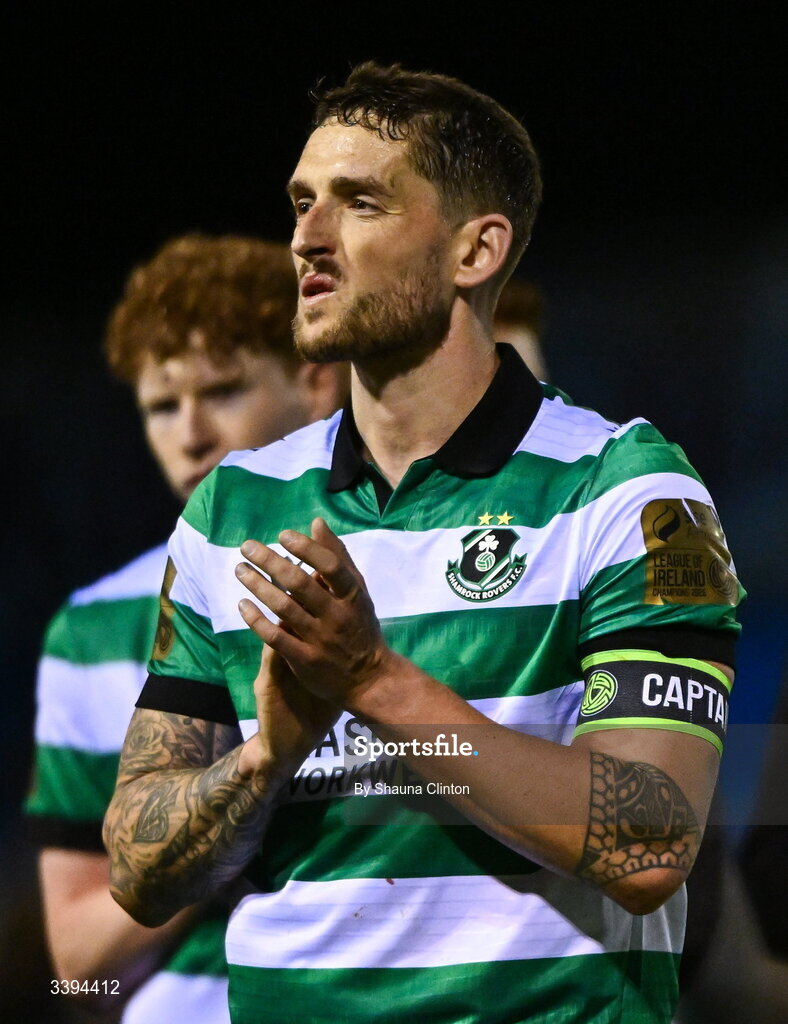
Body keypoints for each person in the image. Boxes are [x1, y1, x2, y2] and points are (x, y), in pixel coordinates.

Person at [104, 63, 744, 1024]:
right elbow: (135, 873)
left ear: (475, 251)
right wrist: (265, 760)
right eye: (301, 203)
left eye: (360, 203)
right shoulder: (232, 509)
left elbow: (650, 843)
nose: (306, 239)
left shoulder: (626, 492)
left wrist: (371, 682)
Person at [25, 233, 347, 1021]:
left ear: (314, 382)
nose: (190, 433)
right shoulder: (90, 631)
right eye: (162, 405)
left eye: (225, 390)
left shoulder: (400, 573)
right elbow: (75, 968)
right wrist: (235, 815)